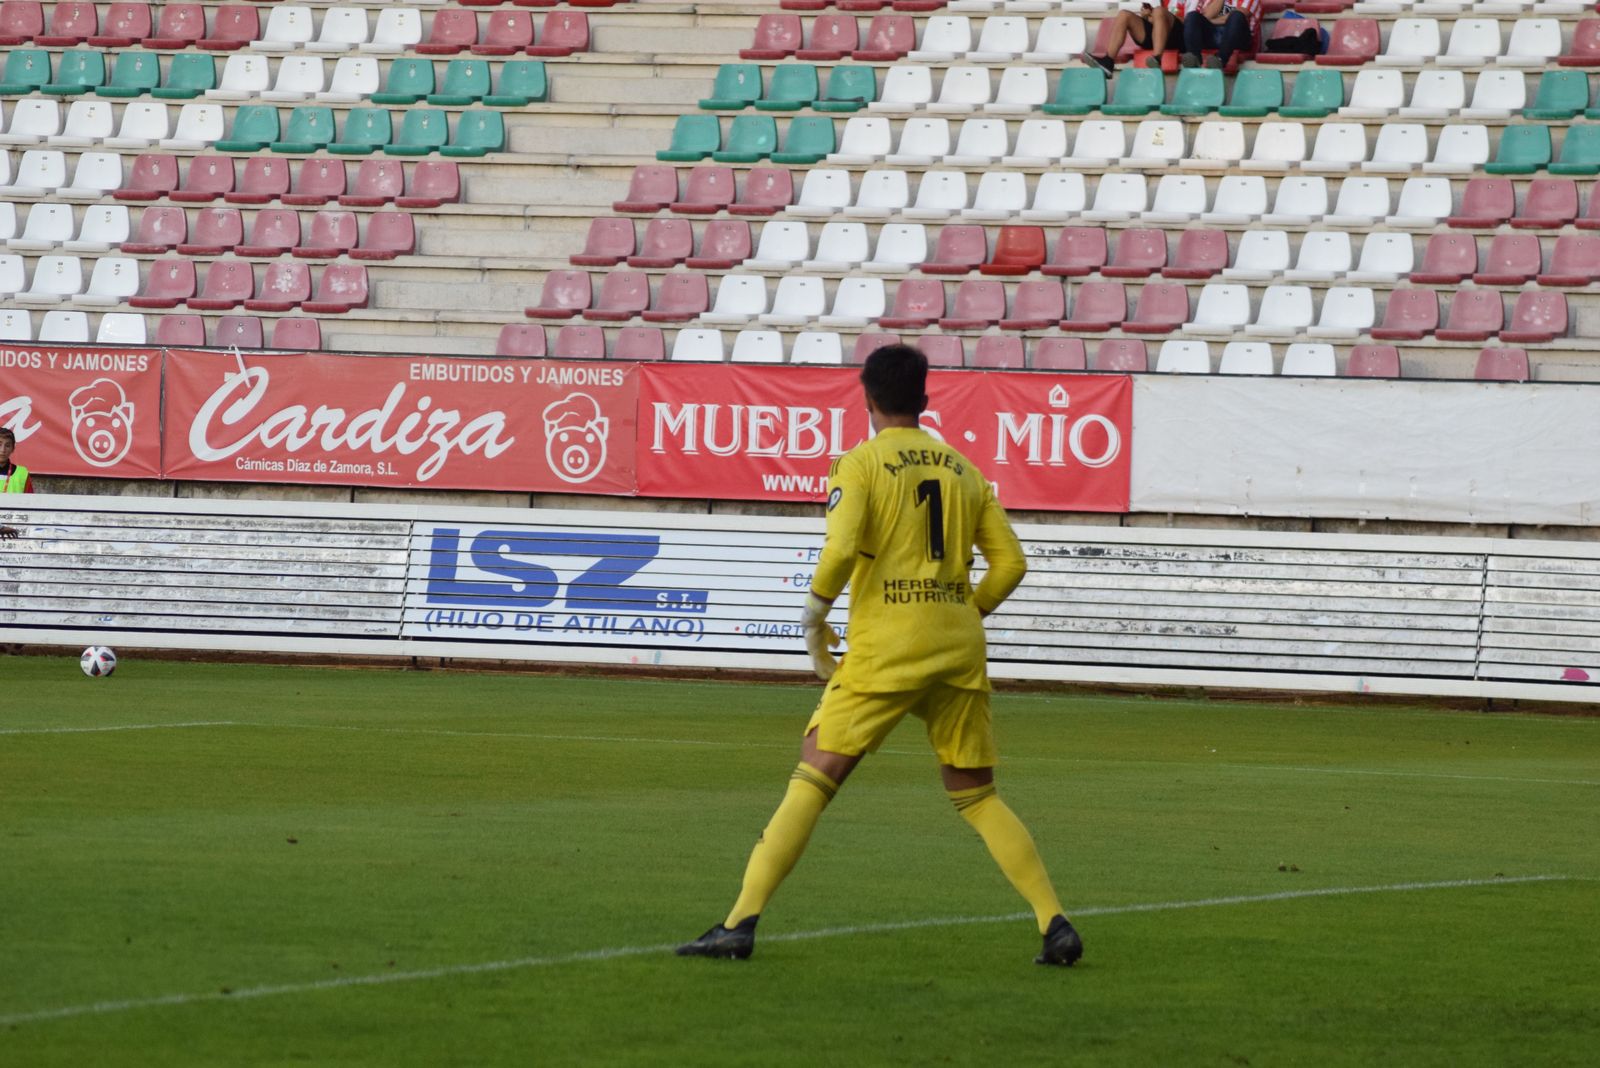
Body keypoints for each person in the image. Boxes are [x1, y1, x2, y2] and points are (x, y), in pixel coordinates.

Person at [677, 344, 1081, 967]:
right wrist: (965, 612)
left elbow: (840, 552)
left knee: (815, 775)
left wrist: (813, 618)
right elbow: (1012, 564)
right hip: (956, 647)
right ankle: (1053, 921)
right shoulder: (965, 470)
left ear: (866, 398)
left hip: (887, 647)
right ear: (924, 399)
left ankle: (739, 921)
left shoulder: (859, 463)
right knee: (976, 794)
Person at [1081, 0, 1188, 73]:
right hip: (1158, 34)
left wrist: (1159, 15)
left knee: (1159, 10)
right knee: (1124, 14)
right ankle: (1108, 61)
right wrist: (1148, 16)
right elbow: (1160, 18)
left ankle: (1156, 59)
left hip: (1181, 35)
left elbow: (1194, 21)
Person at [1182, 0, 1260, 69]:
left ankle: (1220, 59)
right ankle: (1194, 58)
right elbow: (1206, 16)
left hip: (1239, 37)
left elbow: (1242, 13)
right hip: (1215, 35)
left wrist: (1213, 20)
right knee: (1192, 16)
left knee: (1236, 16)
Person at [0, 426, 29, 539]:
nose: (3, 449)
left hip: (14, 532)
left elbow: (31, 503)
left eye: (7, 445)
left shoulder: (22, 473)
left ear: (13, 449)